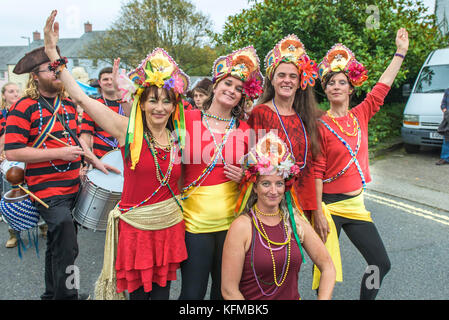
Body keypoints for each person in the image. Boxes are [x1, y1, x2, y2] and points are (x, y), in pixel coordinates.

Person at [44, 10, 188, 300]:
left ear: (174, 105)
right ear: (141, 103)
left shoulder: (179, 137)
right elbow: (82, 97)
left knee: (162, 295)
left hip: (169, 227)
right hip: (137, 232)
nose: (159, 108)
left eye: (166, 102)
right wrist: (53, 53)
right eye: (152, 101)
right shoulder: (127, 131)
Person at [4, 41, 116, 299]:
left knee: (58, 244)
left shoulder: (66, 105)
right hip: (46, 189)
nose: (56, 74)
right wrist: (59, 153)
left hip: (73, 184)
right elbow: (12, 151)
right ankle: (69, 295)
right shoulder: (23, 106)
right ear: (35, 76)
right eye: (49, 70)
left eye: (58, 69)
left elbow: (74, 140)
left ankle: (51, 294)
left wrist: (94, 160)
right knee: (68, 246)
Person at [312, 28, 409, 300]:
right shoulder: (319, 124)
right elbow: (317, 171)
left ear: (351, 88)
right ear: (326, 89)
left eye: (341, 82)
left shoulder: (361, 115)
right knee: (325, 271)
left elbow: (383, 86)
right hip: (328, 206)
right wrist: (317, 212)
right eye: (330, 83)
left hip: (355, 205)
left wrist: (400, 52)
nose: (335, 86)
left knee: (380, 263)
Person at [178, 46, 263, 300]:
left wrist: (245, 178)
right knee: (192, 295)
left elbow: (257, 176)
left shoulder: (246, 129)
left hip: (232, 225)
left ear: (241, 98)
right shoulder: (186, 119)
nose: (232, 90)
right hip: (194, 224)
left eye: (239, 89)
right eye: (228, 83)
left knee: (223, 294)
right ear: (215, 86)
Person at [221, 132, 335, 300]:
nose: (273, 191)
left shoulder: (294, 221)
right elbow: (229, 291)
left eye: (279, 183)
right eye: (266, 183)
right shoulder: (242, 226)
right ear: (255, 187)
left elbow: (328, 267)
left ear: (286, 186)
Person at [248, 35, 322, 222]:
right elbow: (253, 164)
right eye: (281, 75)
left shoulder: (306, 115)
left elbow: (313, 165)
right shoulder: (260, 113)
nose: (287, 80)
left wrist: (318, 211)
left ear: (299, 82)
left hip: (307, 203)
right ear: (272, 80)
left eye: (292, 76)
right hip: (275, 204)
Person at [80, 67, 125, 159]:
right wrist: (87, 160)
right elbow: (86, 137)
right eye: (105, 79)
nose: (109, 82)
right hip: (102, 161)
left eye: (112, 79)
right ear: (99, 83)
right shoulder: (92, 106)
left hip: (127, 159)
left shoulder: (127, 104)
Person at [436, 87, 449, 165]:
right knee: (446, 140)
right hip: (448, 119)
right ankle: (444, 158)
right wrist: (446, 111)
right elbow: (443, 104)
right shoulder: (447, 91)